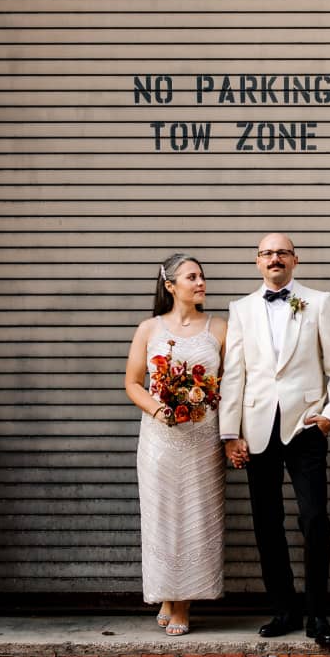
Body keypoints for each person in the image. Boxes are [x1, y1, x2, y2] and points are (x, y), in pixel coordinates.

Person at [219, 233, 330, 648]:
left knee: (314, 519)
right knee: (266, 523)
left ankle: (317, 614)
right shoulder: (240, 309)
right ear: (256, 262)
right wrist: (229, 433)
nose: (274, 258)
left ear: (295, 259)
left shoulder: (319, 301)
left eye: (282, 252)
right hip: (257, 429)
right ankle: (284, 608)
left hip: (305, 428)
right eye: (266, 253)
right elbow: (235, 374)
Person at [125, 253, 227, 635]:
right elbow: (133, 382)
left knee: (195, 517)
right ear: (170, 286)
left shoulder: (219, 328)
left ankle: (183, 603)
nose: (201, 283)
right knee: (161, 518)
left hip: (202, 438)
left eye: (202, 277)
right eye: (192, 277)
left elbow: (231, 385)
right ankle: (167, 593)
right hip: (159, 439)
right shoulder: (148, 329)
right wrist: (158, 410)